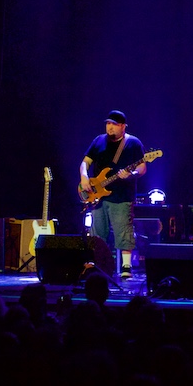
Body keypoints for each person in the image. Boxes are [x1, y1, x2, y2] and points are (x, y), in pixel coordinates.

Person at [80, 110, 147, 279]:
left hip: (122, 197)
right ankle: (98, 264)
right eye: (108, 123)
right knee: (97, 233)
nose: (110, 127)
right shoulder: (98, 141)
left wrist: (131, 174)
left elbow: (142, 168)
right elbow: (85, 163)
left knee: (123, 231)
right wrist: (84, 177)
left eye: (114, 124)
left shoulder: (133, 143)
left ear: (123, 126)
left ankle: (126, 268)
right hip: (98, 197)